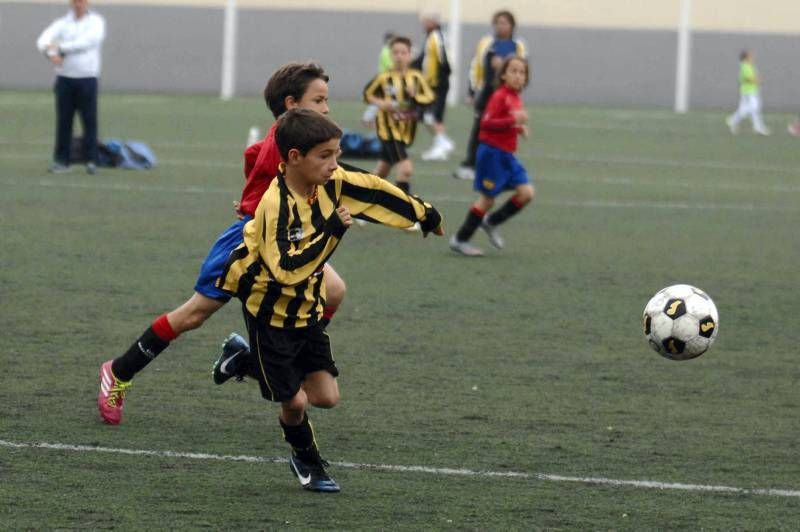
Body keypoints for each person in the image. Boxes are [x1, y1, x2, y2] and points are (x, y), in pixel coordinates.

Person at [96, 63, 348, 425]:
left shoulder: (293, 140)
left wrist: (252, 192)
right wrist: (251, 204)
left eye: (327, 100)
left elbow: (253, 155)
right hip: (247, 242)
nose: (326, 108)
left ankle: (261, 360)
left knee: (334, 290)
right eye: (319, 100)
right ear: (292, 104)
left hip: (284, 242)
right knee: (194, 314)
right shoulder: (287, 143)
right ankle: (119, 371)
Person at [211, 108, 444, 492]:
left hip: (307, 310)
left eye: (337, 154)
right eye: (326, 156)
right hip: (269, 313)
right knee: (295, 403)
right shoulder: (275, 205)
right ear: (294, 159)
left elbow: (373, 189)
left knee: (327, 397)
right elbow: (286, 269)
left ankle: (244, 360)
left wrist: (423, 214)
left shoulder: (329, 182)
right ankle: (307, 462)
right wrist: (333, 231)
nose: (335, 164)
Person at [450, 56, 535, 257]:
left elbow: (507, 122)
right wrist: (512, 120)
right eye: (513, 71)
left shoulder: (515, 96)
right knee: (487, 200)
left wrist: (518, 127)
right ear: (504, 75)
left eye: (522, 72)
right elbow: (486, 124)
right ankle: (460, 239)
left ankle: (491, 222)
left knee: (527, 193)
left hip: (507, 156)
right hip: (491, 154)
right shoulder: (499, 96)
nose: (517, 75)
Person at [453, 10, 527, 181]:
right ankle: (470, 164)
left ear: (512, 26)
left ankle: (499, 166)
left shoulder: (518, 46)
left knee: (506, 130)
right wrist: (472, 91)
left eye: (505, 23)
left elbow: (522, 68)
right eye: (498, 23)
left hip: (506, 95)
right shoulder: (487, 43)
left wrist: (504, 68)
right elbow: (476, 66)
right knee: (480, 128)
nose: (501, 26)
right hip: (487, 93)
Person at [36, 0, 105, 175]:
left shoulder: (96, 22)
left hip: (87, 78)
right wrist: (51, 53)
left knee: (89, 120)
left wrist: (61, 48)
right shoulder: (62, 23)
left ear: (87, 3)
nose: (78, 5)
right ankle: (61, 161)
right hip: (65, 79)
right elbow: (43, 40)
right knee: (64, 121)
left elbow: (88, 42)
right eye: (75, 1)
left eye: (81, 1)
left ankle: (91, 160)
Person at [363, 35, 435, 195]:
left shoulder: (416, 78)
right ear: (390, 55)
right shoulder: (383, 78)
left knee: (382, 171)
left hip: (406, 130)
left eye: (403, 53)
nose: (399, 56)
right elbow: (367, 94)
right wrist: (382, 104)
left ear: (410, 55)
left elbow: (429, 98)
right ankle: (405, 212)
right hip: (388, 130)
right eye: (395, 52)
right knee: (406, 169)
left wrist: (415, 95)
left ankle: (360, 201)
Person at [413, 9, 455, 162]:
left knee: (433, 116)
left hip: (437, 84)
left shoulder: (437, 36)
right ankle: (442, 142)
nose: (423, 24)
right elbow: (423, 58)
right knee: (427, 116)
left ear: (433, 22)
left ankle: (442, 143)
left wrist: (442, 77)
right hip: (429, 84)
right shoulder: (430, 37)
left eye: (426, 21)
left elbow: (444, 59)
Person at [726, 50, 770, 136]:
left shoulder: (749, 66)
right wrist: (758, 81)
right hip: (749, 92)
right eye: (750, 56)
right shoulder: (745, 66)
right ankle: (757, 127)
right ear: (745, 58)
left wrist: (757, 80)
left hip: (750, 91)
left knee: (752, 108)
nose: (752, 57)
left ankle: (734, 121)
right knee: (754, 107)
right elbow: (749, 78)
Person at [361, 32, 395, 127]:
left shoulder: (389, 51)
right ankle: (367, 119)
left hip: (387, 80)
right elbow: (391, 68)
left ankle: (369, 119)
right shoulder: (386, 52)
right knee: (379, 100)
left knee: (384, 100)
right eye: (392, 40)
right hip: (384, 81)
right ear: (388, 41)